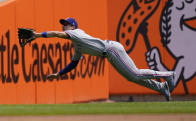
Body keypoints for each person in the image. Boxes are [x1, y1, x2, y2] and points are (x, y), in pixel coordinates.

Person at [31, 17, 175, 101]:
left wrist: (37, 35)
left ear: (73, 26)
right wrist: (59, 74)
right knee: (132, 77)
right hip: (110, 53)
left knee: (136, 73)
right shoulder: (77, 45)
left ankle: (168, 75)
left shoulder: (75, 33)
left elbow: (57, 34)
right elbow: (74, 63)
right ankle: (162, 88)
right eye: (63, 24)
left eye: (65, 24)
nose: (63, 26)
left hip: (112, 49)